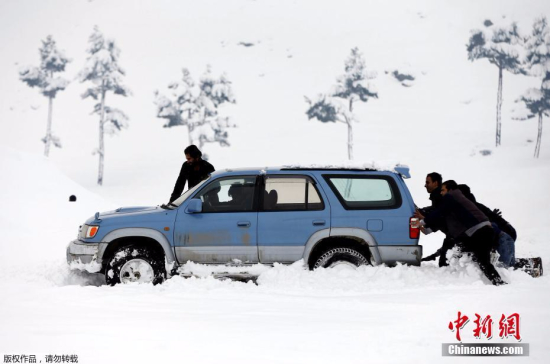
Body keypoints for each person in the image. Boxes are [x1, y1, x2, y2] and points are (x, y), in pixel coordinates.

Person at [417, 180, 506, 286]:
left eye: (443, 190)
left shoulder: (451, 196)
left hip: (481, 232)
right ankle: (480, 277)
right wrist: (427, 230)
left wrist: (422, 222)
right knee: (467, 252)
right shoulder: (456, 201)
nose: (441, 193)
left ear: (450, 189)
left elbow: (439, 212)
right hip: (479, 233)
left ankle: (499, 283)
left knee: (483, 261)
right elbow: (444, 219)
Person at [417, 172, 455, 266]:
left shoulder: (439, 196)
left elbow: (440, 216)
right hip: (452, 234)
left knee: (444, 263)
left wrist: (425, 222)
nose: (425, 185)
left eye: (427, 182)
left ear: (435, 183)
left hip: (455, 234)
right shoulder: (437, 197)